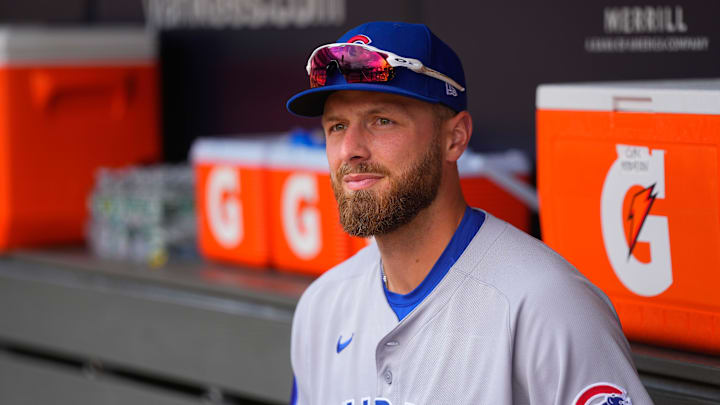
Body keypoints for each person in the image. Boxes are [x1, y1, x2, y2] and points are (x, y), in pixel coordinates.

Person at [285, 21, 652, 405]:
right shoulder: (321, 307)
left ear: (455, 138)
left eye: (382, 121)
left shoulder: (548, 306)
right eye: (337, 126)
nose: (350, 149)